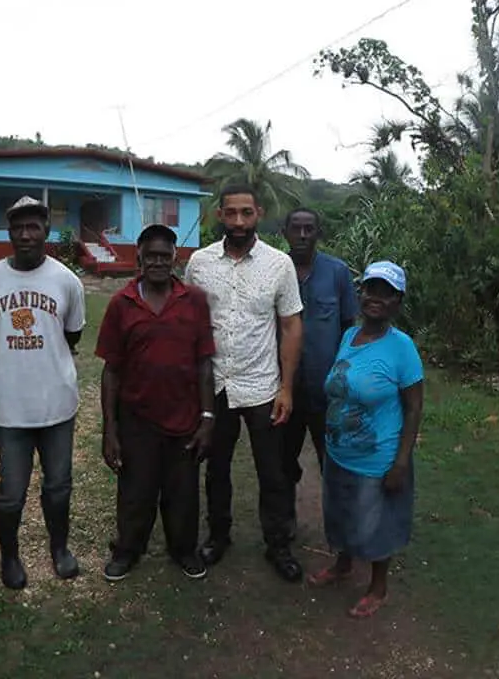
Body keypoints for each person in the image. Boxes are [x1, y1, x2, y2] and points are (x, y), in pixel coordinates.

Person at [183, 184, 305, 582]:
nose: (238, 221)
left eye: (246, 213)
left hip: (262, 386)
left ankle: (278, 544)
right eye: (231, 213)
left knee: (273, 472)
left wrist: (286, 387)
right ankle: (218, 536)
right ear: (219, 215)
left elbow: (290, 325)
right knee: (216, 468)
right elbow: (188, 322)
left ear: (259, 214)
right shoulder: (200, 264)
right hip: (214, 386)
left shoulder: (279, 265)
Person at [0, 195, 86, 590]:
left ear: (46, 231)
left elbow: (72, 334)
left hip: (57, 406)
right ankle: (10, 557)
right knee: (10, 494)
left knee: (58, 486)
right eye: (18, 227)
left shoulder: (66, 280)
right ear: (9, 232)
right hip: (11, 412)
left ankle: (59, 549)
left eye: (33, 226)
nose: (25, 234)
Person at [95, 223, 217, 582]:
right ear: (140, 259)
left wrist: (208, 417)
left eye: (166, 255)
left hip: (185, 418)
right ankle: (128, 550)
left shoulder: (193, 300)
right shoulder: (122, 303)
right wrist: (110, 429)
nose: (159, 262)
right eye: (152, 256)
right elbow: (111, 371)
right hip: (137, 419)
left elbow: (204, 362)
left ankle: (184, 550)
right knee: (136, 492)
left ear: (176, 257)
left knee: (182, 494)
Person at [308, 261, 425, 619]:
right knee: (341, 513)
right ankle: (343, 566)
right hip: (340, 452)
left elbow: (414, 408)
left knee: (377, 525)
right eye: (371, 289)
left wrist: (401, 461)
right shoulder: (349, 336)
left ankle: (378, 587)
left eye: (386, 292)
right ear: (360, 293)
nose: (376, 298)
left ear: (398, 301)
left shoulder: (402, 348)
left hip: (378, 459)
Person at [281, 208, 358, 539]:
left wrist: (344, 381)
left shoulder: (338, 273)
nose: (301, 235)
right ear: (285, 232)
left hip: (327, 390)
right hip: (283, 388)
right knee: (282, 461)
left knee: (335, 461)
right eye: (295, 229)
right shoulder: (273, 269)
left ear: (318, 233)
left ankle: (343, 528)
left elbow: (347, 327)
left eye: (308, 229)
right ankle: (283, 525)